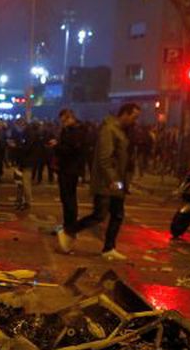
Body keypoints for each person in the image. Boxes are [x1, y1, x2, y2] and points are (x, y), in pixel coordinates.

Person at [57, 102, 141, 261]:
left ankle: (109, 248)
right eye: (134, 117)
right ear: (124, 114)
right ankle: (69, 230)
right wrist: (114, 181)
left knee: (117, 215)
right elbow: (104, 158)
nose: (135, 121)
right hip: (107, 182)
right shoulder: (109, 130)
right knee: (99, 215)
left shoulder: (123, 132)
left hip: (118, 181)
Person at [53, 108, 88, 228]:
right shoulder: (68, 130)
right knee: (67, 198)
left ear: (70, 118)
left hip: (70, 168)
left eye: (64, 120)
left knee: (69, 198)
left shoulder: (76, 132)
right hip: (66, 167)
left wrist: (57, 146)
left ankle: (70, 224)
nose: (63, 123)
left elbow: (72, 150)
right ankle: (68, 223)